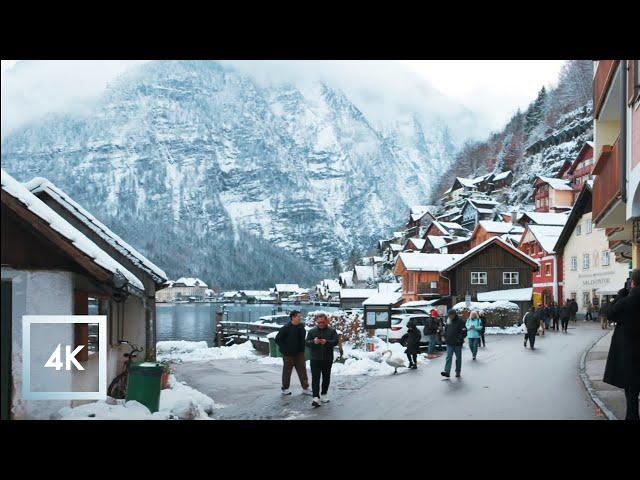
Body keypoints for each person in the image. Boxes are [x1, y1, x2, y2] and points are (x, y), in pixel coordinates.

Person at [603, 269, 640, 420]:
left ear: (633, 282)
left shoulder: (628, 301)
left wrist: (620, 295)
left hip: (631, 355)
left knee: (631, 396)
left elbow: (608, 312)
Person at [306, 313, 339, 407]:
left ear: (326, 321)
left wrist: (326, 342)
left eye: (322, 322)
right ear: (316, 322)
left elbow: (335, 341)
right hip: (315, 358)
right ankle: (315, 397)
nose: (320, 324)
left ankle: (324, 394)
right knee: (315, 378)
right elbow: (307, 343)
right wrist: (314, 342)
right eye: (319, 322)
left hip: (327, 358)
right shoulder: (312, 331)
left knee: (326, 377)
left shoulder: (332, 331)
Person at [275, 310, 311, 396]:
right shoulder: (285, 328)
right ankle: (285, 388)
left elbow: (302, 339)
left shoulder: (301, 327)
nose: (300, 318)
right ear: (293, 317)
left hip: (299, 353)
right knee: (287, 371)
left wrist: (302, 349)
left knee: (302, 371)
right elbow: (278, 339)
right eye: (298, 316)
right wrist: (285, 349)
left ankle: (305, 388)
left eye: (300, 316)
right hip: (288, 355)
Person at [441, 309, 467, 378]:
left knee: (458, 358)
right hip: (449, 342)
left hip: (457, 343)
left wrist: (459, 338)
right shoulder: (448, 321)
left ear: (454, 314)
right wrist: (444, 336)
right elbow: (446, 330)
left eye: (451, 315)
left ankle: (458, 371)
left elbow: (464, 332)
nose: (450, 316)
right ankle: (447, 371)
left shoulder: (460, 321)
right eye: (449, 315)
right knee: (449, 357)